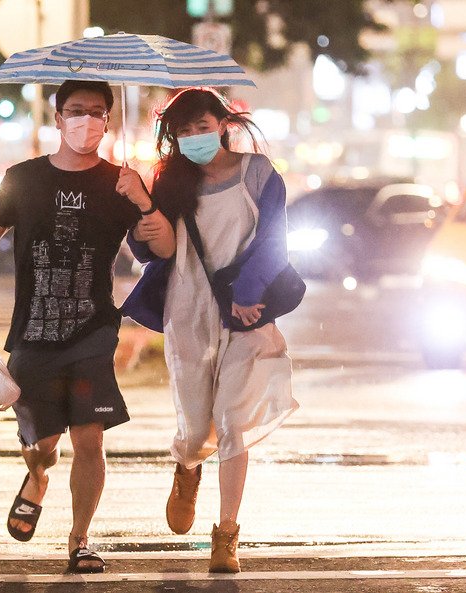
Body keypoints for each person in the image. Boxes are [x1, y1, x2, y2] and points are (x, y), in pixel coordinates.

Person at [0, 80, 174, 574]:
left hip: (94, 332)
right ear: (58, 118)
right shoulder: (23, 178)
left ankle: (79, 541)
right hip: (32, 334)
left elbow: (164, 248)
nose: (86, 121)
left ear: (108, 121)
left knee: (90, 438)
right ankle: (37, 477)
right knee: (43, 443)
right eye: (76, 111)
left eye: (97, 112)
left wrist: (143, 201)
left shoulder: (121, 184)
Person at [124, 88, 299, 573]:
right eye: (183, 132)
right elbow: (153, 251)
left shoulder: (259, 173)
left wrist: (248, 291)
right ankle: (186, 465)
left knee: (232, 423)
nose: (194, 138)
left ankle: (226, 535)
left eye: (202, 127)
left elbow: (274, 240)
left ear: (223, 123)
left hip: (246, 312)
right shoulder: (168, 181)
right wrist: (140, 212)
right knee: (198, 424)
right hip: (188, 311)